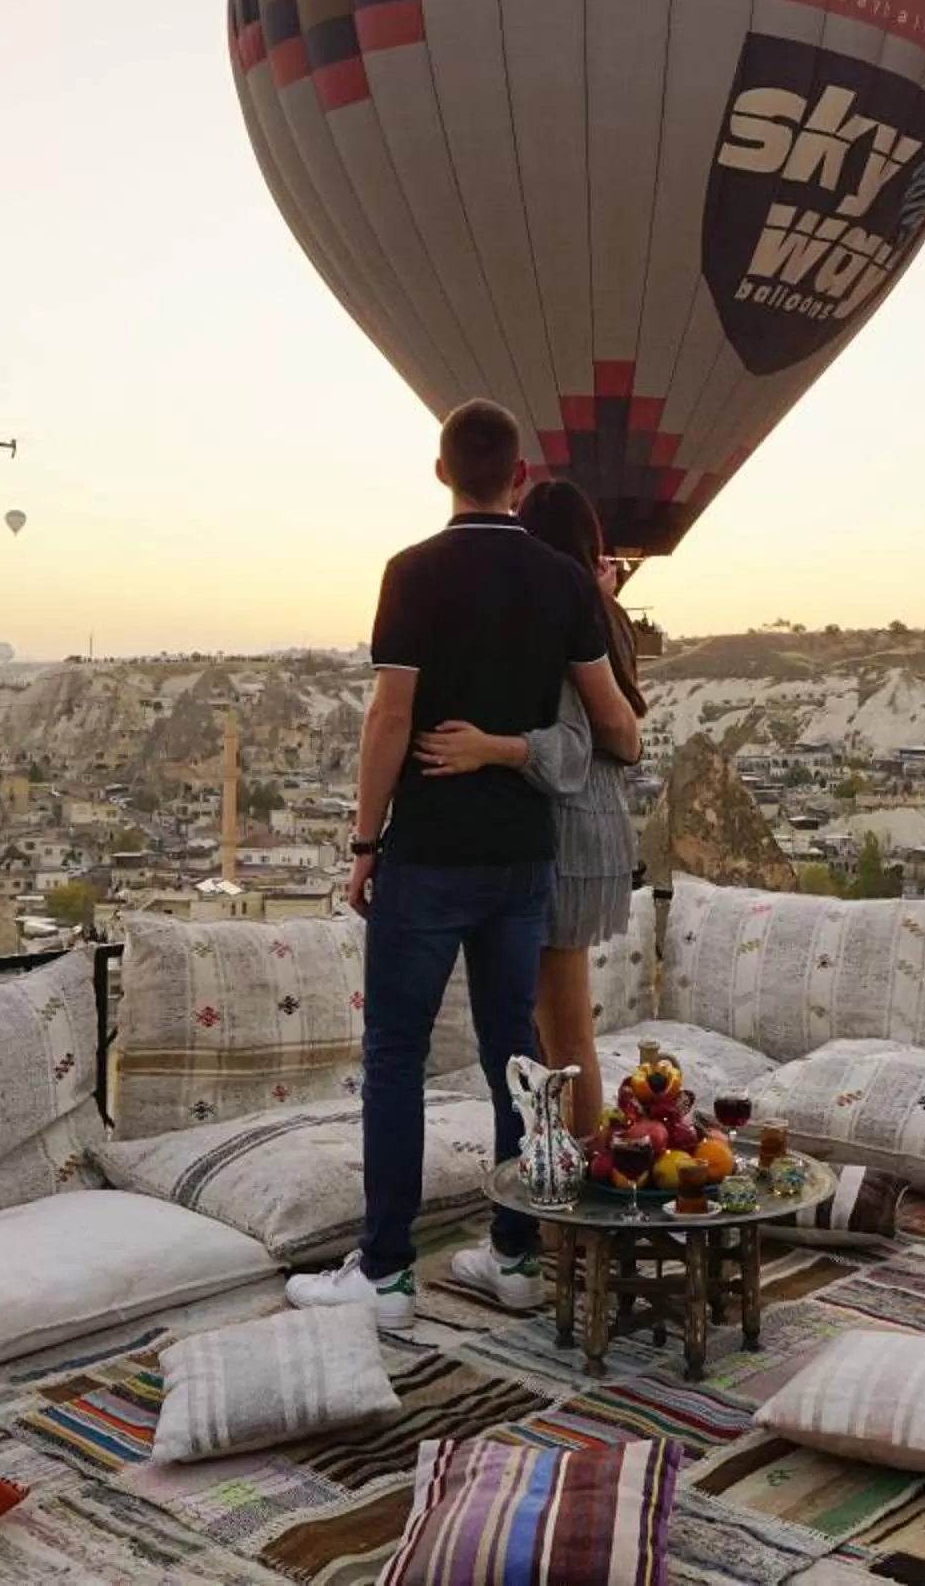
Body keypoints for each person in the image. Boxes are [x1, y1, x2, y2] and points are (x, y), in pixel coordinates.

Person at [287, 400, 641, 1328]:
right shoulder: (563, 582)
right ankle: (516, 1256)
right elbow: (611, 716)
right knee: (516, 1062)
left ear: (442, 472)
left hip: (433, 853)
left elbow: (389, 718)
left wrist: (366, 842)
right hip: (523, 858)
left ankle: (388, 1272)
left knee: (396, 1058)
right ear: (519, 477)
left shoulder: (412, 572)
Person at [413, 478, 646, 1144]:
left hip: (567, 828)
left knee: (563, 1034)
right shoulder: (600, 615)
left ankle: (569, 1194)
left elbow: (593, 734)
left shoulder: (568, 621)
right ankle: (570, 1185)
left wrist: (488, 748)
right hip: (595, 827)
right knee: (558, 1031)